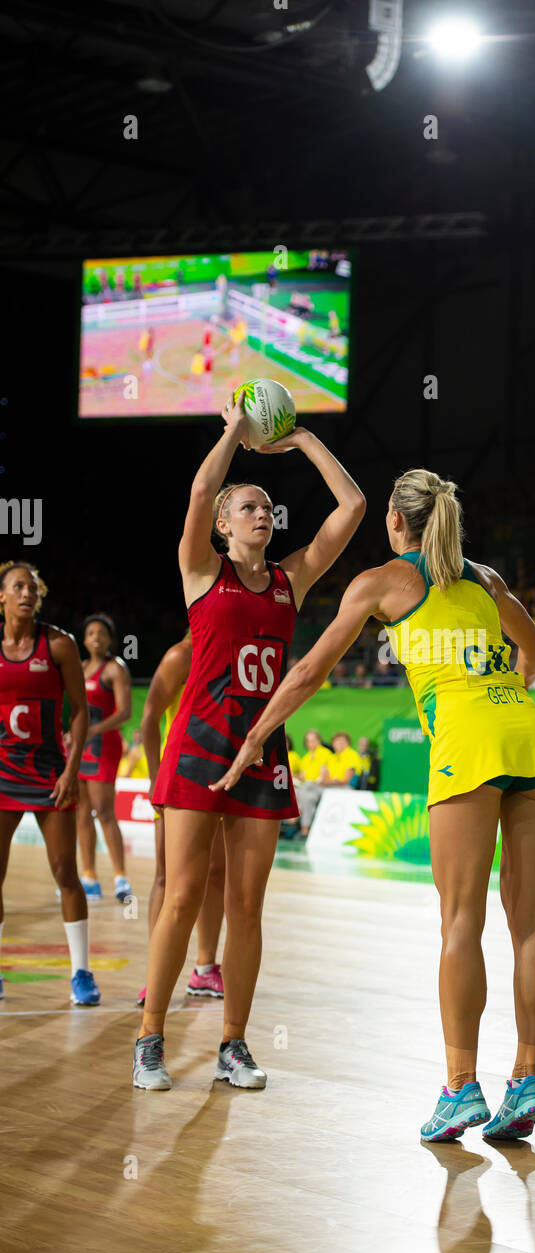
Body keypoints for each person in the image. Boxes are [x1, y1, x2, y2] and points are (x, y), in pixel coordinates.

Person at [210, 469, 535, 1141]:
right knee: (528, 920)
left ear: (396, 523)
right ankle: (525, 1081)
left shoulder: (380, 582)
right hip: (530, 739)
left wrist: (254, 738)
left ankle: (461, 1088)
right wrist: (505, 693)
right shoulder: (487, 579)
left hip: (466, 748)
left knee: (459, 922)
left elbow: (309, 671)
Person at [133, 400, 365, 1090]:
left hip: (263, 755)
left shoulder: (290, 580)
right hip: (200, 747)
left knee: (245, 907)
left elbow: (351, 507)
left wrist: (300, 440)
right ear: (222, 527)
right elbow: (202, 489)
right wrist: (235, 431)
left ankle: (233, 1043)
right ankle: (150, 1038)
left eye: (266, 507)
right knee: (180, 898)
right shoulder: (202, 570)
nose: (261, 514)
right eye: (247, 508)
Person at [0, 562, 100, 1005]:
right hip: (2, 773)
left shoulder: (58, 644)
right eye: (18, 586)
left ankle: (81, 973)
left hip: (48, 773)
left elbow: (80, 711)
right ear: (2, 596)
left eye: (33, 587)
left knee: (65, 873)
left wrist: (71, 768)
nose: (27, 593)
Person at [137, 631, 226, 1007]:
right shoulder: (180, 656)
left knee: (217, 873)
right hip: (180, 776)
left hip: (223, 775)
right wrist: (157, 779)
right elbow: (149, 719)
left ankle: (205, 969)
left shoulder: (235, 653)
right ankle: (155, 974)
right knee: (166, 875)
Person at [77, 613, 133, 903]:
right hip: (81, 747)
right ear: (84, 640)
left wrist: (93, 730)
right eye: (91, 633)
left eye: (101, 633)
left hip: (103, 748)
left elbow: (125, 712)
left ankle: (121, 878)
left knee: (105, 812)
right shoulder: (80, 668)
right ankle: (89, 877)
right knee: (81, 812)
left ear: (110, 639)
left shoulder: (115, 669)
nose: (96, 638)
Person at [293, 730, 336, 836]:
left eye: (314, 740)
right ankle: (304, 828)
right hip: (307, 788)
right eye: (309, 741)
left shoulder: (326, 753)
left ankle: (296, 817)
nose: (311, 743)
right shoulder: (306, 757)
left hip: (320, 786)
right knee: (304, 795)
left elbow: (329, 774)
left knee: (307, 788)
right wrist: (292, 775)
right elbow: (302, 777)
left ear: (319, 741)